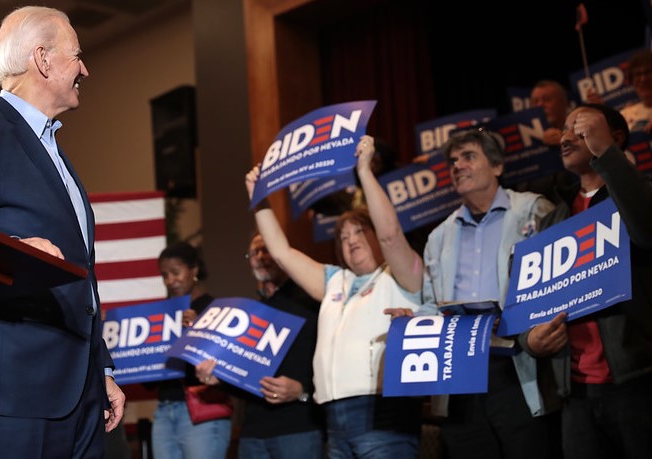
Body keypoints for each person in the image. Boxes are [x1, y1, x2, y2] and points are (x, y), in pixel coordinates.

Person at [0, 6, 124, 458]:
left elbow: (82, 277)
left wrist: (103, 369)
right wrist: (12, 252)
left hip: (84, 396)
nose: (85, 69)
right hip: (17, 398)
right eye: (77, 56)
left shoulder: (56, 151)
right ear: (43, 59)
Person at [244, 135, 424, 458]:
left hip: (383, 415)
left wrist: (365, 171)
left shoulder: (400, 274)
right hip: (334, 421)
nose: (351, 240)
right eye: (343, 236)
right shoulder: (336, 282)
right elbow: (282, 253)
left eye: (359, 232)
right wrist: (259, 198)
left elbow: (390, 233)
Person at [518, 103, 652, 459]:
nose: (564, 137)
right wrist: (531, 340)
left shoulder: (642, 193)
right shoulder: (553, 222)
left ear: (615, 137)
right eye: (562, 129)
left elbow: (646, 231)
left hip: (639, 382)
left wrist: (607, 153)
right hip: (575, 395)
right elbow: (525, 309)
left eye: (578, 126)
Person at [420, 128, 561, 459]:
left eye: (469, 156)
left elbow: (559, 283)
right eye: (453, 161)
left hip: (517, 365)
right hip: (459, 376)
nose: (458, 165)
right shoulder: (438, 237)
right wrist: (413, 322)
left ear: (497, 167)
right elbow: (430, 304)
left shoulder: (532, 211)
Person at [196, 232, 325, 458]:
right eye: (254, 252)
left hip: (299, 431)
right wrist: (219, 379)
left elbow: (331, 362)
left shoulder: (312, 305)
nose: (260, 256)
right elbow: (247, 376)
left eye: (266, 249)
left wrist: (303, 391)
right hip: (253, 434)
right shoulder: (248, 314)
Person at [151, 241, 232, 459]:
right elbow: (149, 378)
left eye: (176, 272)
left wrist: (200, 331)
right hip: (164, 410)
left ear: (194, 269)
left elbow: (229, 364)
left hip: (203, 409)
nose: (170, 281)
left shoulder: (217, 309)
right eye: (164, 275)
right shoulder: (161, 315)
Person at [530, 79, 572, 147]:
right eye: (535, 101)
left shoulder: (581, 131)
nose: (540, 105)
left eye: (547, 99)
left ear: (564, 103)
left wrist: (565, 142)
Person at [619, 49, 652, 134]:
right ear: (631, 80)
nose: (643, 79)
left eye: (648, 72)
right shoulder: (624, 116)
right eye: (638, 74)